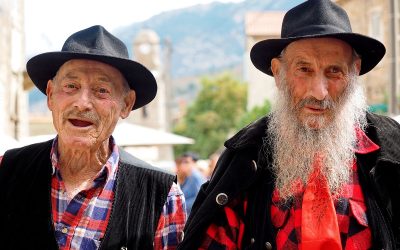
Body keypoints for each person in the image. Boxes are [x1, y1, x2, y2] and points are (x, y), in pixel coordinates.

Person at [178, 0, 400, 249]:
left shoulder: (392, 149)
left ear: (354, 72)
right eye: (304, 69)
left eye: (334, 71)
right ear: (278, 73)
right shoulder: (245, 157)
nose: (319, 92)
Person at [0, 25, 186, 249]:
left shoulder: (161, 196)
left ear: (126, 104)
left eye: (101, 90)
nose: (82, 102)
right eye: (71, 86)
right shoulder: (6, 169)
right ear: (50, 95)